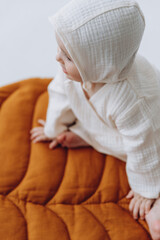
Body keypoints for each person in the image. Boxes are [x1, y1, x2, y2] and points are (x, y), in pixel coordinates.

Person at [30, 0, 160, 238]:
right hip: (113, 129)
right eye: (60, 49)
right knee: (88, 117)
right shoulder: (76, 74)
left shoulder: (131, 99)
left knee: (152, 160)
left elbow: (143, 145)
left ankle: (156, 205)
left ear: (101, 64)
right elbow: (59, 96)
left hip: (152, 135)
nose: (57, 58)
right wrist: (52, 128)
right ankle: (89, 136)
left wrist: (145, 189)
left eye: (67, 56)